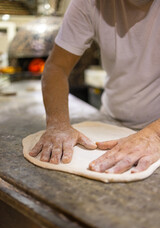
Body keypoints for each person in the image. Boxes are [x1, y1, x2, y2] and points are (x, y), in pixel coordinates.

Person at [29, 0, 160, 174]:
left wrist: (155, 135)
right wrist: (58, 124)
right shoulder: (89, 3)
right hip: (111, 120)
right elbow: (56, 67)